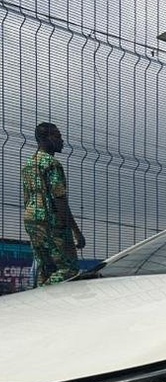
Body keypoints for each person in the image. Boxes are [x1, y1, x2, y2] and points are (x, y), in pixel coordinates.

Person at [21, 122, 85, 286]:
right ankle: (49, 294)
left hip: (31, 219)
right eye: (57, 136)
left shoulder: (29, 164)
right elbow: (59, 199)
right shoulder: (52, 164)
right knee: (68, 269)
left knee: (46, 267)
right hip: (51, 219)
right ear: (45, 138)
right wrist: (75, 231)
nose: (61, 140)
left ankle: (42, 302)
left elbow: (27, 196)